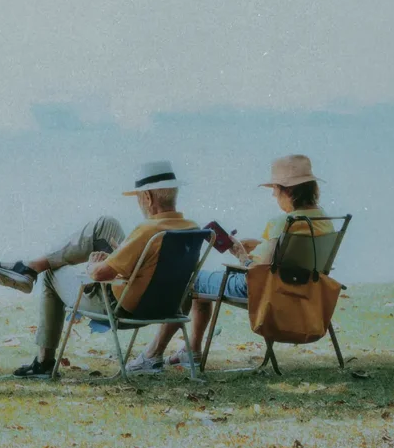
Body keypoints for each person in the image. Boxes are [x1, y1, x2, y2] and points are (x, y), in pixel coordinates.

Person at [0, 161, 198, 378]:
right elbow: (154, 269)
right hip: (166, 305)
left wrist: (93, 264)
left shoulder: (148, 231)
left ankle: (43, 362)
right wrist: (116, 258)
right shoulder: (192, 230)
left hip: (119, 308)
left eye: (139, 197)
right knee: (106, 224)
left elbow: (100, 274)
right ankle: (30, 267)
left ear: (148, 197)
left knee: (50, 275)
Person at [140, 154, 333, 370]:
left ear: (289, 191)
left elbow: (260, 270)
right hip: (302, 286)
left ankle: (155, 353)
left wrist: (241, 255)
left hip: (260, 288)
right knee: (201, 288)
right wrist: (259, 246)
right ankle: (190, 351)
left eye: (275, 189)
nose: (273, 194)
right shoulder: (323, 220)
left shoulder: (284, 222)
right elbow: (293, 254)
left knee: (190, 280)